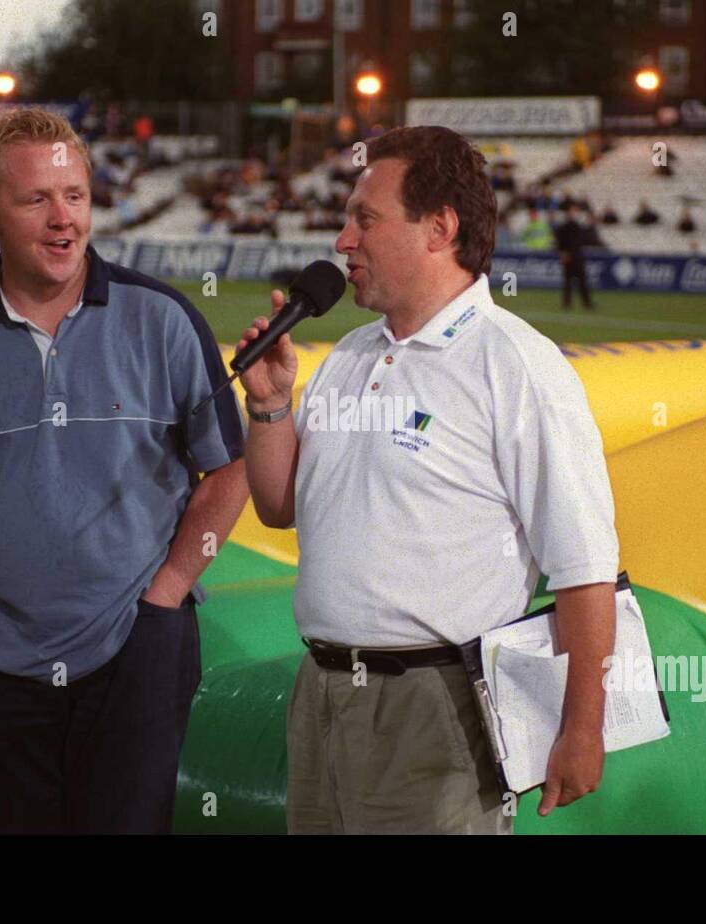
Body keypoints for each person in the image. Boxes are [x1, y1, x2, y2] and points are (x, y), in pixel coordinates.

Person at [0, 107, 249, 834]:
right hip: (10, 666)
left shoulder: (163, 318)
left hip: (141, 648)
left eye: (75, 195)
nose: (62, 218)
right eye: (35, 199)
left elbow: (229, 471)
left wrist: (167, 595)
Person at [235, 125, 620, 835]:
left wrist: (582, 726)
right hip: (319, 693)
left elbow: (584, 567)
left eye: (365, 218)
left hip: (437, 708)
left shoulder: (517, 366)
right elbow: (278, 505)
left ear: (439, 228)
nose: (344, 241)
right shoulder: (348, 356)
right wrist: (269, 406)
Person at [553, 203, 594, 310]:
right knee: (568, 282)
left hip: (578, 256)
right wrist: (562, 254)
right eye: (572, 211)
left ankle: (587, 303)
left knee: (582, 281)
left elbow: (583, 241)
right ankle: (567, 303)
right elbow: (559, 243)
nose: (574, 213)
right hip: (568, 257)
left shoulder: (578, 227)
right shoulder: (564, 227)